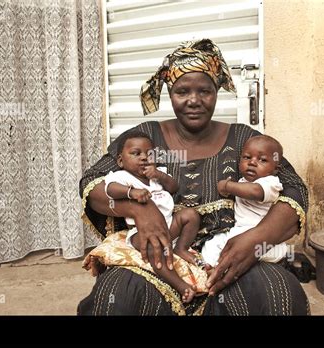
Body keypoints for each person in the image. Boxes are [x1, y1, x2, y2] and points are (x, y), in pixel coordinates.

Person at [78, 38, 309, 315]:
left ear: (216, 92)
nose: (194, 101)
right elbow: (92, 182)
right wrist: (139, 210)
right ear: (169, 93)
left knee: (279, 298)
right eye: (182, 91)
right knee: (117, 298)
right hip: (157, 258)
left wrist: (256, 240)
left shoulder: (246, 140)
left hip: (232, 255)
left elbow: (295, 189)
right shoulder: (144, 138)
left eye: (205, 91)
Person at [102, 130, 201, 303]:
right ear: (120, 160)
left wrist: (160, 175)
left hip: (170, 226)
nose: (143, 158)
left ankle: (181, 248)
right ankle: (180, 285)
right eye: (136, 153)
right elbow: (110, 190)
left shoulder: (157, 175)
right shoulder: (122, 177)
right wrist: (131, 192)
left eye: (149, 154)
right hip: (144, 233)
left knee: (190, 215)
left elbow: (174, 187)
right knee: (150, 249)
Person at [202, 135, 287, 267]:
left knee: (237, 251)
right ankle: (208, 267)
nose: (252, 162)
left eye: (262, 160)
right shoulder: (242, 181)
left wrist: (227, 186)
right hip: (239, 231)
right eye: (247, 157)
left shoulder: (271, 183)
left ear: (276, 169)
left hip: (264, 240)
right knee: (213, 244)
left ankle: (226, 266)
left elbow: (255, 192)